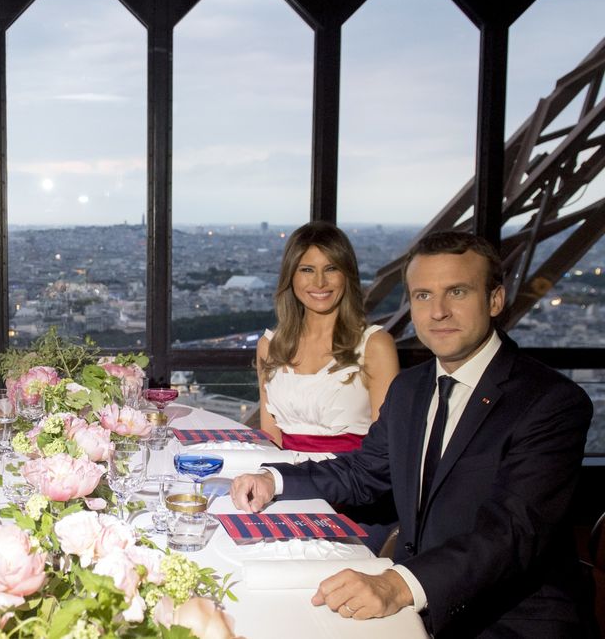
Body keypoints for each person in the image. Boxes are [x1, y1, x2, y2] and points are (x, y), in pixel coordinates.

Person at [231, 231, 593, 637]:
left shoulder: (550, 402)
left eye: (457, 292)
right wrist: (276, 479)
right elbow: (366, 471)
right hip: (416, 598)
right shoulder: (411, 388)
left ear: (495, 300)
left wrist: (398, 585)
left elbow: (512, 533)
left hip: (506, 618)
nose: (438, 312)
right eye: (422, 295)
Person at [256, 221, 399, 452]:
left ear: (347, 275)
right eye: (307, 270)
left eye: (331, 268)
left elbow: (384, 447)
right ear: (290, 276)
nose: (319, 282)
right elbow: (270, 437)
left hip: (352, 473)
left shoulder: (375, 345)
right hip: (282, 472)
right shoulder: (270, 346)